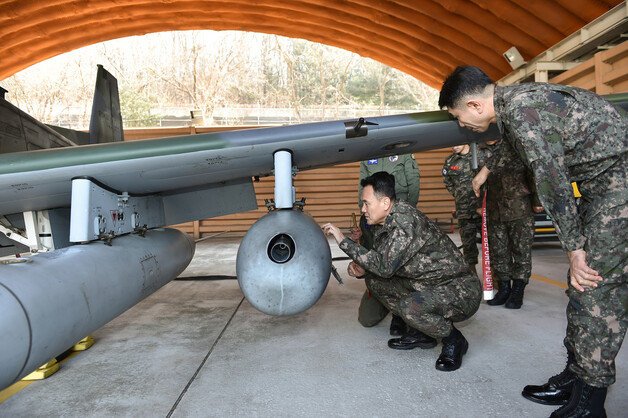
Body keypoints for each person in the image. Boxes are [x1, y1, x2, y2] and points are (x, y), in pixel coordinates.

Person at [439, 65, 626, 417]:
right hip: (603, 189)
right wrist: (485, 170)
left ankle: (591, 402)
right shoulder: (514, 104)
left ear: (476, 106)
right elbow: (512, 148)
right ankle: (577, 377)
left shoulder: (522, 112)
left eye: (458, 116)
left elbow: (552, 182)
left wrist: (574, 248)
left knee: (596, 291)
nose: (461, 125)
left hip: (618, 192)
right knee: (581, 291)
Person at [323, 172, 481, 372]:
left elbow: (384, 266)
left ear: (385, 202)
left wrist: (342, 240)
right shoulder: (386, 223)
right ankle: (423, 333)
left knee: (410, 306)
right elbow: (381, 264)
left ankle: (454, 340)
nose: (363, 209)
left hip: (460, 289)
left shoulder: (405, 221)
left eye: (366, 203)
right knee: (375, 282)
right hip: (430, 284)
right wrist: (362, 269)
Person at [354, 154, 421, 336]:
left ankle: (401, 314)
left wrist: (404, 214)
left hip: (397, 212)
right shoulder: (367, 155)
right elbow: (363, 184)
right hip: (376, 216)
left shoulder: (404, 153)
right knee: (366, 318)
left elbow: (413, 182)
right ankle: (393, 307)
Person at [482, 140, 540, 309]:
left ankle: (518, 290)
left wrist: (537, 200)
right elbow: (479, 181)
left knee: (521, 250)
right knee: (499, 251)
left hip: (519, 208)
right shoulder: (482, 151)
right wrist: (480, 204)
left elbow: (533, 174)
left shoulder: (515, 146)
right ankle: (504, 288)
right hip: (495, 209)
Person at [442, 144, 483, 270]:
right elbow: (448, 182)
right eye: (452, 144)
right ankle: (473, 279)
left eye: (457, 143)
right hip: (464, 210)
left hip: (483, 209)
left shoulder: (480, 156)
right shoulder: (450, 161)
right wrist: (459, 195)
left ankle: (496, 278)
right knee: (468, 246)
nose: (454, 147)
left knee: (493, 245)